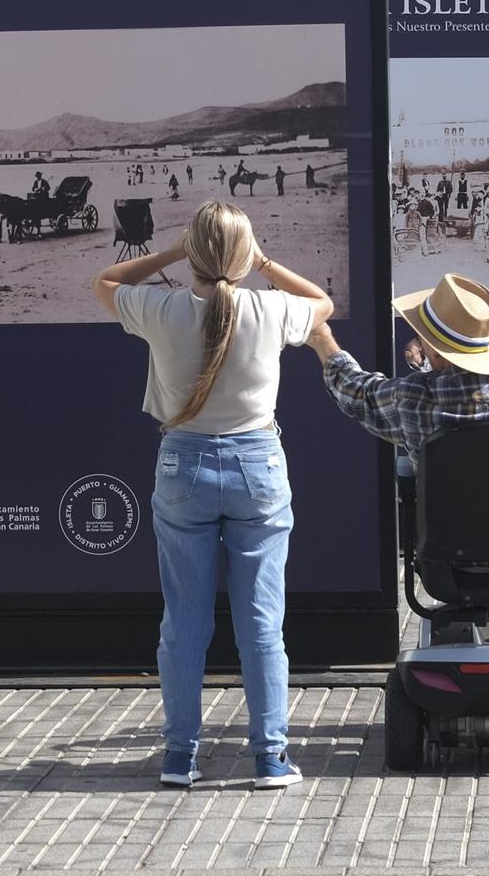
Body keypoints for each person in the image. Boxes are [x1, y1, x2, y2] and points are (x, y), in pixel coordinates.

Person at [92, 201, 333, 790]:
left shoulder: (163, 307)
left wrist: (176, 252)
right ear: (245, 256)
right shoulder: (271, 308)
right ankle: (271, 758)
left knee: (184, 622)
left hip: (183, 464)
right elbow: (324, 304)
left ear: (194, 254)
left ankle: (180, 757)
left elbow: (105, 283)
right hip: (258, 465)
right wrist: (265, 263)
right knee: (261, 624)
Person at [309, 273, 489, 642]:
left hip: (453, 567)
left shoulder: (412, 399)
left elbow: (357, 392)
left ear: (434, 351)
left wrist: (323, 341)